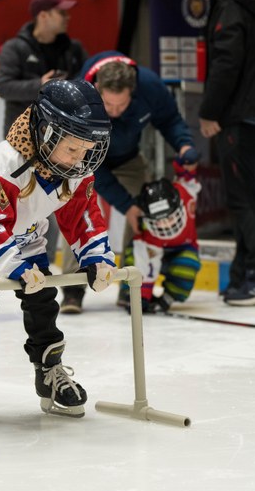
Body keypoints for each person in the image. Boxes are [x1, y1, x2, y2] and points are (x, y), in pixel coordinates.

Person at [0, 79, 115, 426]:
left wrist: (96, 256)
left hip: (27, 227)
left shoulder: (73, 168)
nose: (80, 158)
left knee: (42, 298)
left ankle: (49, 371)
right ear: (46, 132)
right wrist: (13, 265)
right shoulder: (4, 166)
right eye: (73, 149)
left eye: (87, 150)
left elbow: (81, 213)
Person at [57, 52, 200, 314]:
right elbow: (95, 173)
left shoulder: (150, 86)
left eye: (120, 106)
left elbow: (170, 120)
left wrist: (184, 145)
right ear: (97, 89)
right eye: (107, 105)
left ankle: (131, 283)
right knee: (75, 211)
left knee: (142, 214)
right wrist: (126, 205)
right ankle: (73, 287)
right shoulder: (78, 101)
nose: (113, 112)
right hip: (84, 160)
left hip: (127, 156)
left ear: (132, 92)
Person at [198, 0, 255, 306]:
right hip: (252, 112)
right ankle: (243, 276)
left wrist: (209, 111)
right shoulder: (244, 4)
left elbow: (227, 61)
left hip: (242, 114)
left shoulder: (230, 6)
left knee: (244, 199)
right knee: (243, 198)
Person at [0, 0, 88, 264]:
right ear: (43, 15)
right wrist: (41, 84)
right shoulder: (16, 48)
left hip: (66, 143)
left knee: (67, 202)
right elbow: (3, 86)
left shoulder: (73, 49)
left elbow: (86, 83)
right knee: (32, 207)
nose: (68, 17)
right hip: (27, 143)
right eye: (62, 13)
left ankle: (58, 279)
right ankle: (29, 267)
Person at [128, 161, 202, 314]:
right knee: (133, 258)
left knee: (189, 263)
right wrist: (141, 298)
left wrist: (184, 161)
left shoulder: (186, 193)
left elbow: (188, 176)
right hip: (156, 254)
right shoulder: (147, 233)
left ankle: (169, 297)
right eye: (159, 221)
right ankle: (129, 293)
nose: (166, 225)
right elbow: (145, 266)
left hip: (181, 252)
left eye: (169, 218)